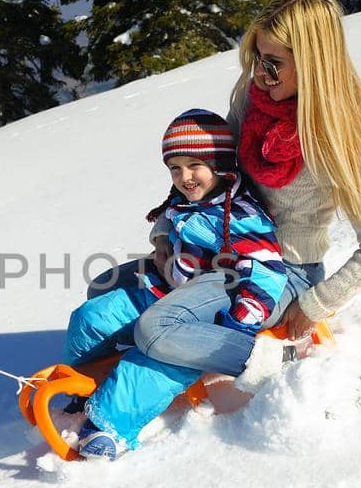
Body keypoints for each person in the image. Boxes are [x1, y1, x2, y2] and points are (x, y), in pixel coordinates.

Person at [132, 0, 361, 394]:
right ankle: (155, 355)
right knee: (112, 284)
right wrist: (165, 232)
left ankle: (270, 360)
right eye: (257, 60)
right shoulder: (252, 103)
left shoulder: (338, 140)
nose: (260, 74)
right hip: (224, 250)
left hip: (284, 275)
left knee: (156, 327)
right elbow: (215, 177)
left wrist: (314, 305)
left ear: (314, 66)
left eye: (274, 64)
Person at [60, 110, 289, 459]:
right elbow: (169, 215)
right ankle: (86, 384)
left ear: (220, 164)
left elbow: (267, 271)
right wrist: (164, 235)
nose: (184, 177)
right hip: (167, 289)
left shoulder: (241, 215)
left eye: (194, 165)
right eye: (175, 168)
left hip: (206, 309)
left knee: (156, 353)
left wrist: (241, 319)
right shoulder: (186, 200)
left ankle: (109, 423)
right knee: (91, 317)